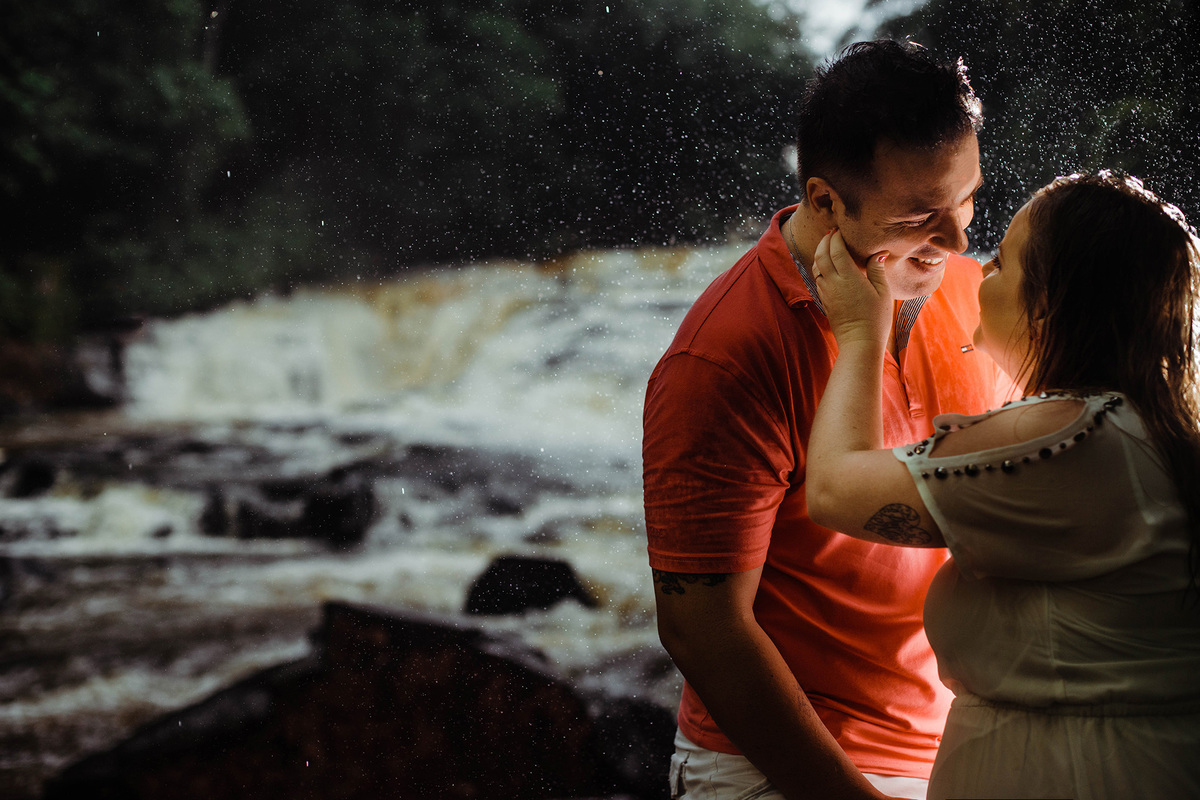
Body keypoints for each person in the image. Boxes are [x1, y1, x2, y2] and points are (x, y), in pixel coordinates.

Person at [642, 40, 1009, 800]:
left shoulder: (982, 296)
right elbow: (702, 629)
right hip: (780, 769)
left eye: (968, 197)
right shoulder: (724, 355)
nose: (959, 240)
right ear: (823, 202)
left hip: (957, 746)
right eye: (920, 215)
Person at [806, 170, 1200, 799]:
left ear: (1046, 302)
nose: (977, 270)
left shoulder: (1070, 436)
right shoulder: (1156, 424)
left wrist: (859, 333)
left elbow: (831, 489)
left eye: (1000, 263)